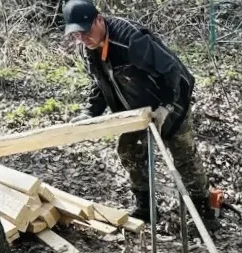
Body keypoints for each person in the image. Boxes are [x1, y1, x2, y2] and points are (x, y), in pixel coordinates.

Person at [61, 0, 216, 228]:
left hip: (172, 100)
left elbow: (171, 69)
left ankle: (204, 210)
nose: (83, 38)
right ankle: (145, 206)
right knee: (128, 149)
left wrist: (165, 106)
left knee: (182, 153)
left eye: (86, 32)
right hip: (134, 110)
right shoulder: (88, 50)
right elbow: (100, 83)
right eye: (77, 35)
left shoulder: (130, 39)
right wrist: (90, 112)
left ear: (99, 20)